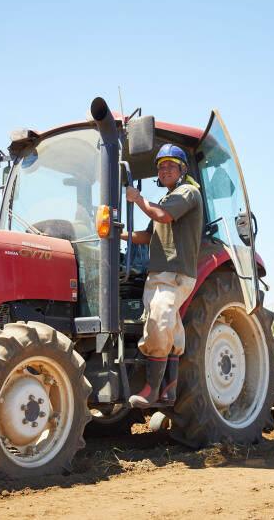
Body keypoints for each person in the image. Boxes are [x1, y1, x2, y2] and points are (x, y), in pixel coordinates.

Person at [122, 143, 203, 408]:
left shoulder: (188, 192)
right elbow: (148, 235)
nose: (165, 169)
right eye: (161, 166)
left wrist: (137, 199)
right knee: (171, 328)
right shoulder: (167, 199)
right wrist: (117, 233)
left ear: (181, 169)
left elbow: (163, 216)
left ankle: (151, 389)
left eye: (171, 165)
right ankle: (169, 389)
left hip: (175, 273)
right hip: (159, 274)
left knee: (158, 323)